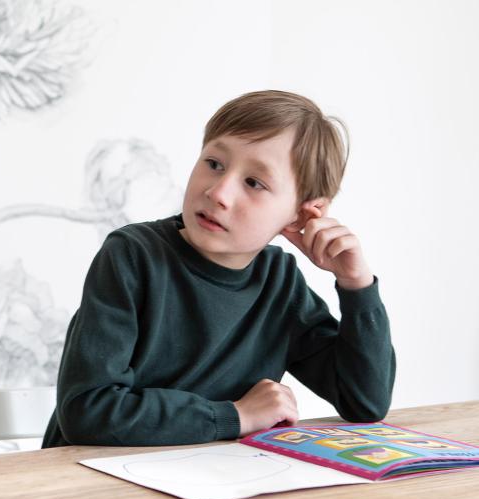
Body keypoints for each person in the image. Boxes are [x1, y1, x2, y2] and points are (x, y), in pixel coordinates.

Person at [42, 90, 396, 448]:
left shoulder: (280, 283)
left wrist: (356, 285)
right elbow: (86, 410)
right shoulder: (133, 257)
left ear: (302, 214)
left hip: (209, 486)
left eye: (254, 183)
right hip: (95, 483)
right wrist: (236, 416)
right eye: (214, 163)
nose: (218, 192)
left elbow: (364, 402)